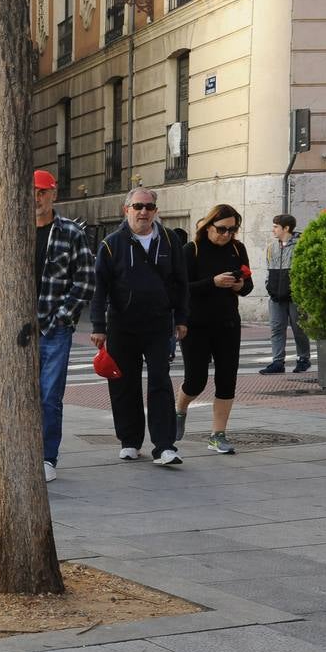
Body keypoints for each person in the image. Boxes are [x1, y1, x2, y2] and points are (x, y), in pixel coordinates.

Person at [90, 187, 190, 466]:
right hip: (122, 324)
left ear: (156, 211)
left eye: (148, 207)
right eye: (138, 207)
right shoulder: (111, 244)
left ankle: (165, 446)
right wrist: (99, 326)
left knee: (160, 381)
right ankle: (129, 441)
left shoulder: (170, 241)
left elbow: (181, 283)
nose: (143, 212)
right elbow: (100, 289)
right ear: (127, 210)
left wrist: (181, 318)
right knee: (123, 383)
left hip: (159, 324)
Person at [175, 205, 254, 454]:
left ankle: (217, 434)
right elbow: (181, 288)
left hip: (228, 323)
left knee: (227, 378)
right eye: (222, 229)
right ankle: (180, 409)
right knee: (196, 380)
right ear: (209, 226)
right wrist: (213, 282)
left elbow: (248, 285)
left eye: (232, 230)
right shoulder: (191, 250)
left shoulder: (237, 249)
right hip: (196, 325)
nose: (227, 234)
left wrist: (239, 285)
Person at [33, 169, 95, 482]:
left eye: (43, 191)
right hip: (17, 330)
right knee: (15, 395)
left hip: (54, 328)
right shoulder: (14, 229)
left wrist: (64, 315)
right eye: (32, 191)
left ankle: (46, 457)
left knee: (48, 396)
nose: (37, 197)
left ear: (54, 194)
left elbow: (86, 279)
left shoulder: (71, 232)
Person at [261, 214, 312, 374]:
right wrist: (269, 287)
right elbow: (269, 269)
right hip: (275, 296)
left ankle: (303, 359)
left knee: (299, 328)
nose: (273, 229)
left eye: (276, 226)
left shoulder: (301, 245)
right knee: (276, 328)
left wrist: (300, 291)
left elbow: (305, 270)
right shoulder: (271, 247)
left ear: (286, 228)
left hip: (295, 296)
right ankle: (278, 362)